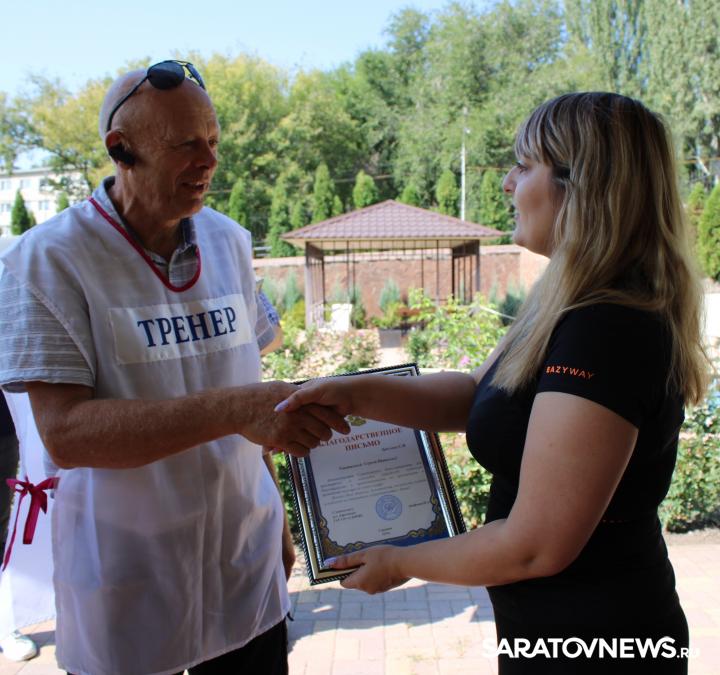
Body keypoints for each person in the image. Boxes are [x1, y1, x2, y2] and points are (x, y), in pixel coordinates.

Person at [276, 92, 709, 674]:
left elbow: (534, 546)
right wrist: (351, 393)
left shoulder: (607, 328)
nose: (507, 184)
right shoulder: (566, 302)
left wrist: (401, 561)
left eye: (524, 166)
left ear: (581, 186)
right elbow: (475, 394)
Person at [0, 60, 346, 675]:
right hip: (129, 584)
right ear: (121, 149)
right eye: (186, 143)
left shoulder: (230, 241)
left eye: (212, 140)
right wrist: (232, 411)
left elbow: (248, 390)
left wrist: (277, 519)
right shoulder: (47, 259)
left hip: (243, 564)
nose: (209, 160)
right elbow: (66, 435)